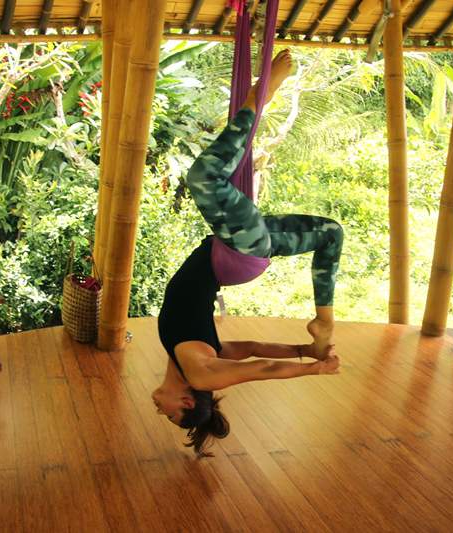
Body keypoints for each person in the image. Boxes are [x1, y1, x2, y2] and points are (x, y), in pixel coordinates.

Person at [154, 50, 344, 457]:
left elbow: (256, 348)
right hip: (237, 252)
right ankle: (265, 93)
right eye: (169, 415)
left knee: (330, 233)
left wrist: (303, 349)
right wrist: (315, 368)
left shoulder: (193, 357)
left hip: (240, 252)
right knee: (203, 177)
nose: (159, 410)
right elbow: (263, 368)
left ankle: (323, 322)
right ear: (187, 402)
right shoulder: (203, 374)